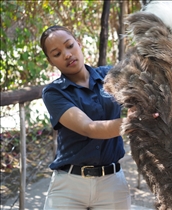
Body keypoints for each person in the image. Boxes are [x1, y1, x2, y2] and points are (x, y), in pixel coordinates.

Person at [40, 25, 132, 210]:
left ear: (79, 43)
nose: (67, 54)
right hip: (69, 187)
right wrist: (136, 123)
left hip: (112, 184)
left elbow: (143, 82)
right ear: (51, 61)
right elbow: (88, 127)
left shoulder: (110, 75)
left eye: (69, 45)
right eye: (57, 54)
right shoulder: (54, 92)